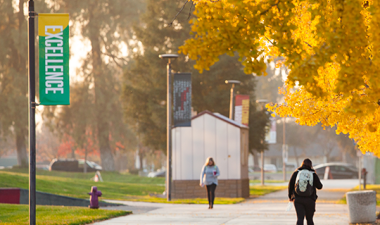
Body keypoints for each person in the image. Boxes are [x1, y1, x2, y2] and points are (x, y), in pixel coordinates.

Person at [288, 158, 323, 225]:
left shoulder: (296, 173)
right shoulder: (313, 174)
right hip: (310, 199)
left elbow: (290, 185)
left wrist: (290, 196)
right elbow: (320, 186)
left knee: (300, 218)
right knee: (309, 219)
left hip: (298, 199)